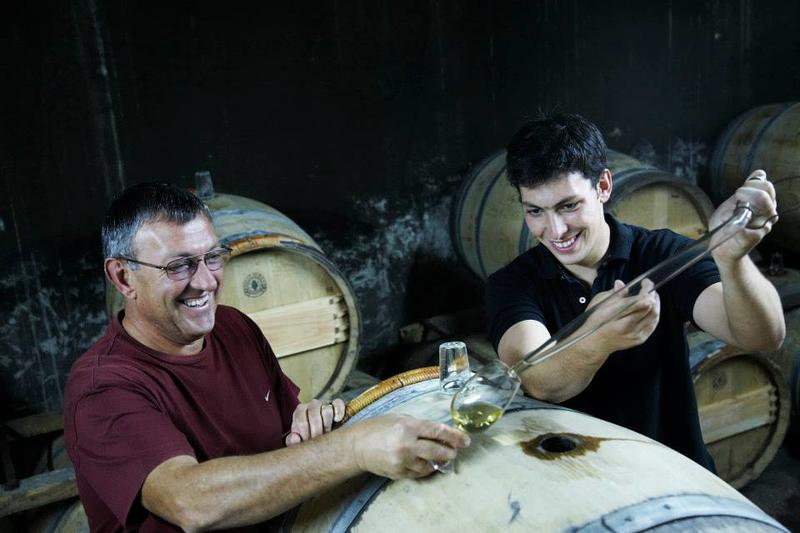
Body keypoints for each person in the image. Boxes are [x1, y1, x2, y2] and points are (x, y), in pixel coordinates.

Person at [63, 183, 469, 532]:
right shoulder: (103, 387)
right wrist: (351, 448)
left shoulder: (234, 327)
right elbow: (188, 502)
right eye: (180, 266)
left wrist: (311, 421)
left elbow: (294, 433)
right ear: (122, 277)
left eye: (212, 257)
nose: (205, 281)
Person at [486, 113, 785, 471]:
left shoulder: (662, 254)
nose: (556, 229)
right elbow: (537, 380)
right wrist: (596, 335)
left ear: (603, 186)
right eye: (536, 211)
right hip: (573, 478)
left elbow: (762, 337)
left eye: (569, 205)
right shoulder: (514, 282)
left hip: (673, 472)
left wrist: (732, 259)